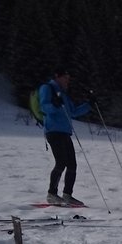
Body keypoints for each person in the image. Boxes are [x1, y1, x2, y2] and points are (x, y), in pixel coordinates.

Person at [39, 67, 92, 205]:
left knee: (72, 164)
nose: (67, 81)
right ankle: (52, 194)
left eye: (68, 79)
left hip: (65, 132)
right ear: (57, 77)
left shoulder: (64, 94)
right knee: (61, 162)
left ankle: (67, 194)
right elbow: (44, 107)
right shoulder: (47, 88)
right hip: (53, 131)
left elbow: (73, 112)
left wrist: (89, 105)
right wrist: (55, 105)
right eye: (65, 78)